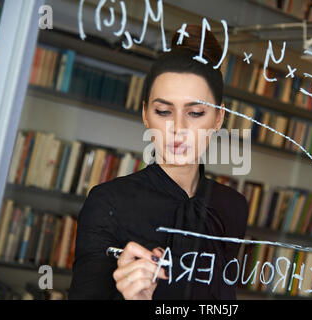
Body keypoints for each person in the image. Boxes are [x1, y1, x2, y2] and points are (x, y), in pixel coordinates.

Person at [68, 25, 249, 300]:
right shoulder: (108, 202)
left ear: (218, 118)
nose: (178, 127)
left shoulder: (232, 206)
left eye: (196, 112)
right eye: (164, 111)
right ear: (145, 115)